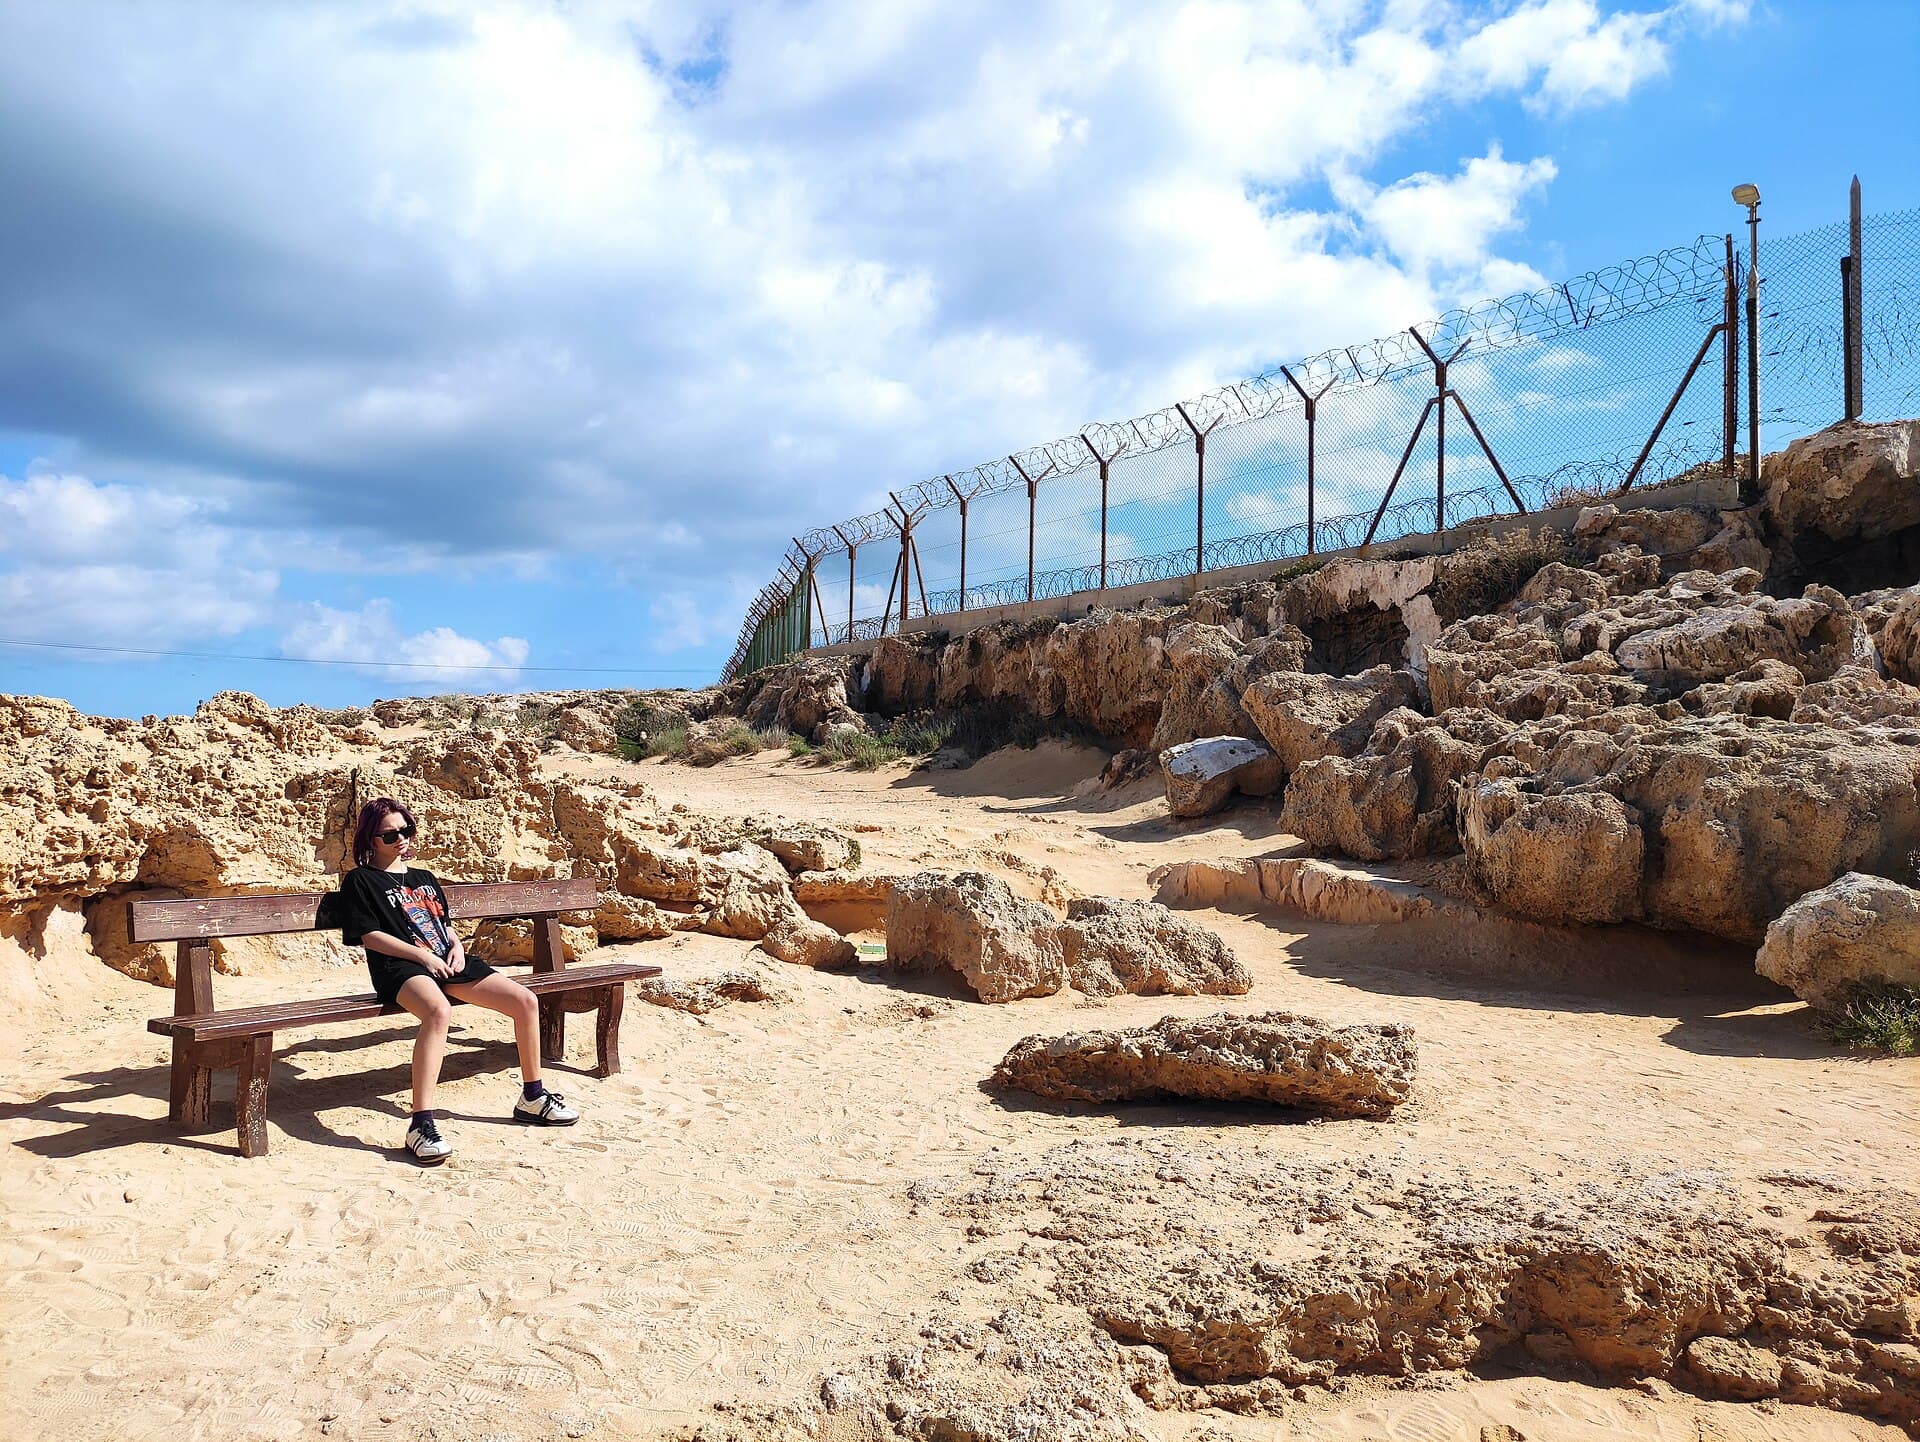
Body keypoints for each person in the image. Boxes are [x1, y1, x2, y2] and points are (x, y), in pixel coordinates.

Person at [337, 796, 579, 1163]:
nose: (400, 839)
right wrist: (421, 956)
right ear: (370, 839)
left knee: (525, 1000)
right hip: (399, 966)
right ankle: (420, 1123)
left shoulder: (424, 878)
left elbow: (443, 925)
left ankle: (532, 1095)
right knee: (437, 1012)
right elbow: (369, 935)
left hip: (446, 960)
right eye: (389, 835)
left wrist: (456, 949)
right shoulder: (361, 880)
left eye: (406, 831)